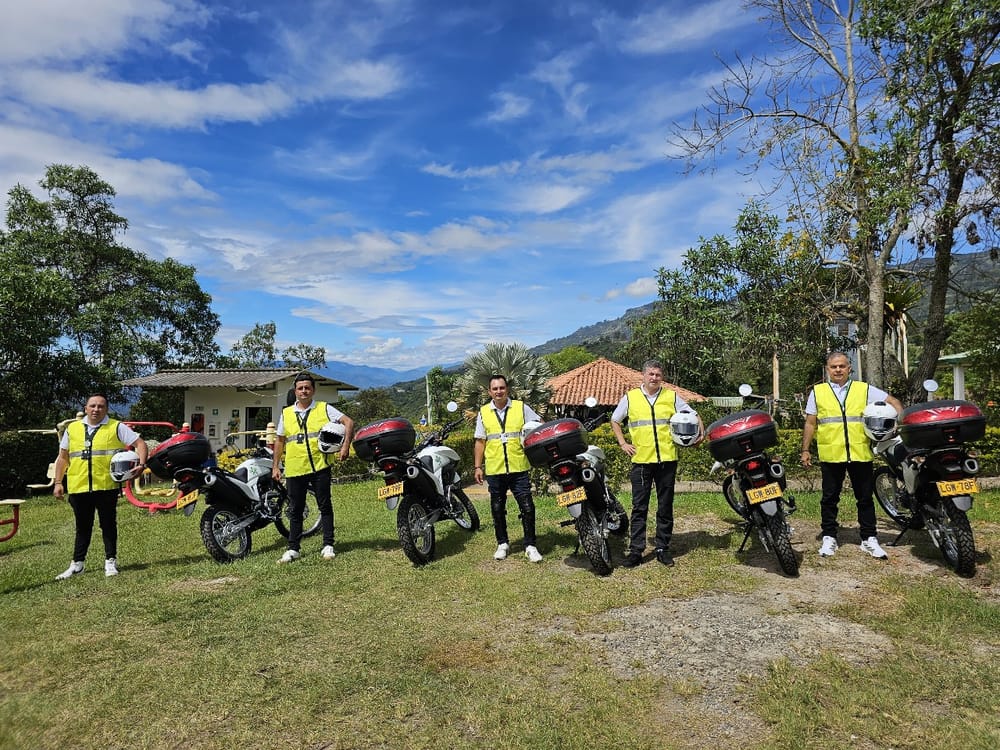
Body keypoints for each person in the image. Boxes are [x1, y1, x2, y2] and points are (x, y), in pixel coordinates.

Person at [800, 351, 903, 559]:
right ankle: (829, 536)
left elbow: (893, 402)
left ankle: (869, 538)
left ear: (849, 368)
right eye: (834, 367)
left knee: (864, 497)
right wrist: (805, 450)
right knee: (829, 498)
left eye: (842, 366)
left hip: (859, 451)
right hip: (831, 453)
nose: (838, 370)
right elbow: (811, 422)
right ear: (827, 369)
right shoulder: (817, 392)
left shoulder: (863, 389)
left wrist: (899, 424)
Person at [611, 359, 702, 568]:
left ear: (662, 378)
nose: (654, 378)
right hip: (642, 461)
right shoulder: (630, 398)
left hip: (667, 460)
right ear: (643, 375)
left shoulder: (671, 397)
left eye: (658, 375)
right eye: (651, 374)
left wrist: (700, 434)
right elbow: (615, 420)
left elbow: (693, 415)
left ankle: (662, 548)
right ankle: (636, 550)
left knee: (665, 506)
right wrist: (623, 442)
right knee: (639, 507)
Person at [53, 394, 148, 579]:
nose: (96, 409)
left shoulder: (116, 426)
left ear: (107, 409)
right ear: (86, 408)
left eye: (101, 406)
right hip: (78, 486)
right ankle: (77, 564)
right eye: (93, 406)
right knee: (82, 527)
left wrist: (142, 464)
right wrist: (58, 482)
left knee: (108, 525)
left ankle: (110, 562)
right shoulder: (72, 429)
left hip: (106, 486)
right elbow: (63, 457)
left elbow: (140, 444)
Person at [271, 372, 354, 563]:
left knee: (325, 506)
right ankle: (293, 549)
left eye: (307, 387)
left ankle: (328, 545)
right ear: (295, 391)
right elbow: (280, 440)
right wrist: (276, 466)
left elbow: (348, 422)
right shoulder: (286, 413)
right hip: (295, 468)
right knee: (295, 510)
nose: (304, 391)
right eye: (300, 388)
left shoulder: (323, 408)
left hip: (319, 466)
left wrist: (345, 446)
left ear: (313, 390)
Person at [473, 374, 544, 563]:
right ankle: (502, 543)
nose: (498, 391)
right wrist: (478, 467)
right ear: (489, 391)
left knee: (527, 507)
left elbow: (538, 427)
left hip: (518, 467)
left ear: (507, 390)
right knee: (497, 508)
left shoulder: (521, 408)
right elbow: (480, 441)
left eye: (502, 388)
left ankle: (530, 545)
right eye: (495, 389)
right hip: (495, 469)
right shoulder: (483, 412)